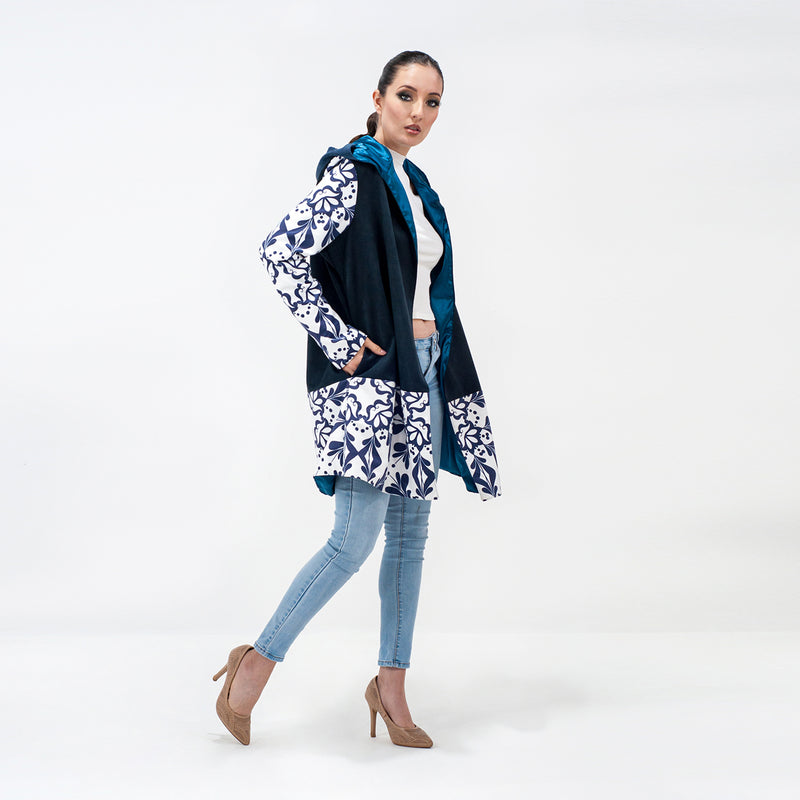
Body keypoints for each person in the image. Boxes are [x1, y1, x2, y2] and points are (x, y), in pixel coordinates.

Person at [213, 50, 501, 749]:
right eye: (406, 95)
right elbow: (280, 252)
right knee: (352, 539)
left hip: (424, 370)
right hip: (371, 382)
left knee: (410, 535)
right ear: (377, 98)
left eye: (433, 102)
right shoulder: (353, 176)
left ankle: (391, 686)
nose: (419, 112)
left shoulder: (417, 187)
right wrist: (339, 339)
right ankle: (256, 662)